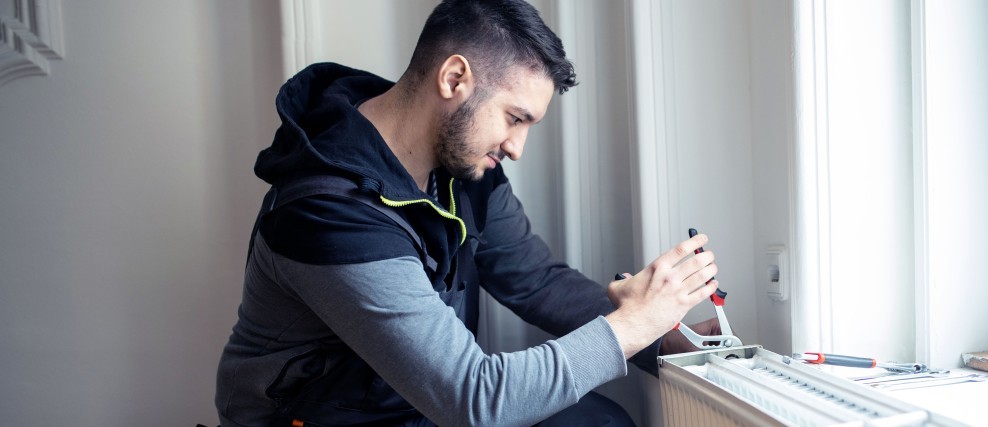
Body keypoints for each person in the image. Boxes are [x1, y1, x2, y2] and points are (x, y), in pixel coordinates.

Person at [214, 0, 722, 426]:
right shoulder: (327, 212)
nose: (517, 146)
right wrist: (633, 325)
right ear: (454, 78)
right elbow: (473, 398)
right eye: (514, 117)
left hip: (414, 406)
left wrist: (670, 342)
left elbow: (537, 281)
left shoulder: (463, 168)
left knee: (600, 423)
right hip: (322, 419)